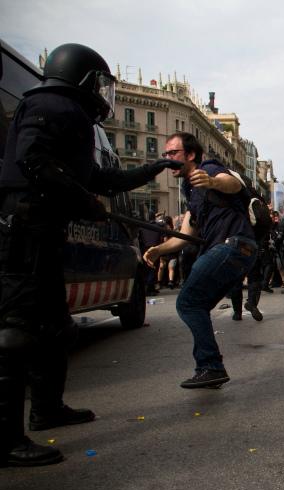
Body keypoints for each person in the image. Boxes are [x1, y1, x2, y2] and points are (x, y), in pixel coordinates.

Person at [0, 43, 181, 466]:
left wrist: (155, 168)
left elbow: (103, 177)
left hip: (44, 232)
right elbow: (32, 162)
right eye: (99, 83)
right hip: (24, 230)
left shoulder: (71, 115)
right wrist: (83, 201)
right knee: (16, 333)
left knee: (56, 327)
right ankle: (5, 440)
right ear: (81, 77)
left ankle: (47, 409)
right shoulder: (50, 104)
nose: (103, 94)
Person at [143, 132, 257, 389]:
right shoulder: (189, 190)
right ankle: (209, 369)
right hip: (237, 250)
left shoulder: (209, 169)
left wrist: (212, 182)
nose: (168, 159)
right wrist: (159, 250)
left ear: (190, 154)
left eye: (173, 153)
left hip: (232, 245)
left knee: (187, 302)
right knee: (197, 305)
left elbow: (233, 184)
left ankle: (211, 366)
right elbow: (185, 235)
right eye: (166, 154)